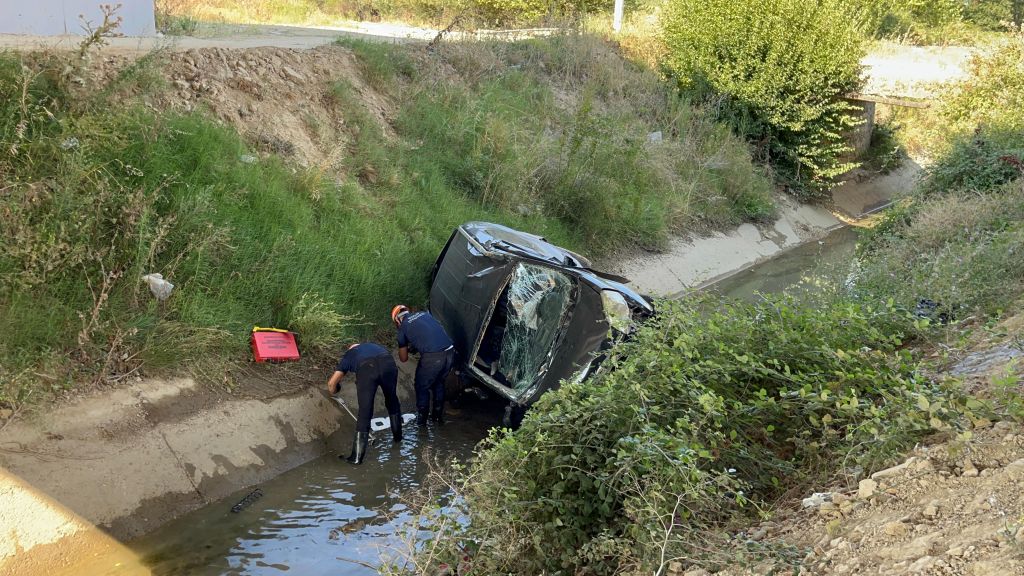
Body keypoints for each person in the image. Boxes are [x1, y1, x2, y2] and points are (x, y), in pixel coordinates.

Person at [326, 342, 402, 465]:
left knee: (365, 411)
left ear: (351, 349)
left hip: (368, 369)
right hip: (388, 363)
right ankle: (398, 438)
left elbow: (331, 385)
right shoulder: (374, 346)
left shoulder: (350, 354)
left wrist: (336, 390)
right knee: (392, 399)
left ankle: (356, 458)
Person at [392, 305, 455, 425]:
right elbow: (429, 334)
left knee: (421, 386)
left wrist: (404, 346)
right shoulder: (425, 314)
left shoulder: (403, 327)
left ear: (397, 320)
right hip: (450, 351)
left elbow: (403, 359)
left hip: (433, 356)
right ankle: (437, 418)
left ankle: (422, 422)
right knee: (439, 382)